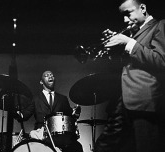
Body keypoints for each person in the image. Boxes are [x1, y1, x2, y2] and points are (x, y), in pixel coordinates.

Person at [95, 0, 165, 152]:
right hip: (124, 101)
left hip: (145, 101)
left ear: (143, 8)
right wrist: (117, 44)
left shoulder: (160, 25)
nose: (125, 20)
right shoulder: (134, 33)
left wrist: (128, 43)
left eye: (128, 14)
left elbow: (161, 60)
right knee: (104, 146)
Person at [23, 70, 83, 152]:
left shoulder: (62, 99)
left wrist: (76, 112)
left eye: (52, 75)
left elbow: (70, 116)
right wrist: (15, 111)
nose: (50, 76)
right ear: (41, 82)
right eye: (46, 75)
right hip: (41, 136)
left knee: (77, 147)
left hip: (60, 137)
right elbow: (24, 116)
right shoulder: (35, 99)